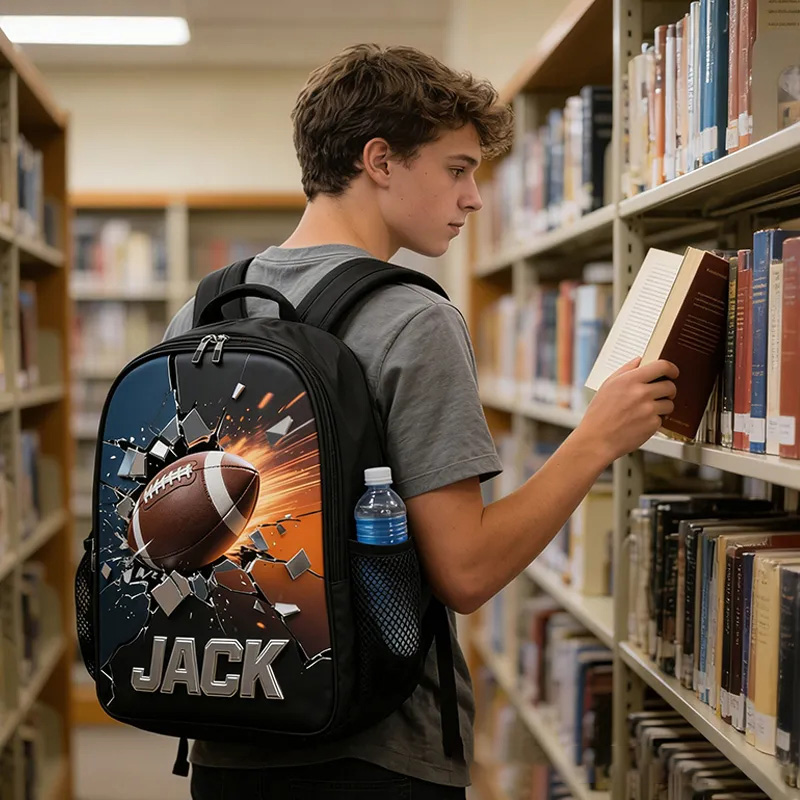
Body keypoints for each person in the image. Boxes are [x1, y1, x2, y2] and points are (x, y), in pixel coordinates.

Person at [164, 43, 678, 800]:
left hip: (227, 726)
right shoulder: (413, 318)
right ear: (380, 160)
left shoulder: (205, 309)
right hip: (376, 747)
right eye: (458, 168)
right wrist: (596, 439)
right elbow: (465, 572)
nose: (473, 198)